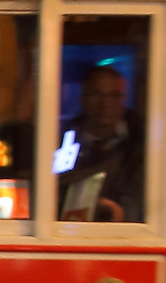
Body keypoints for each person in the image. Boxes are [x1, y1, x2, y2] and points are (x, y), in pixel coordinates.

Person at [53, 64, 145, 222]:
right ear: (82, 99)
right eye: (97, 95)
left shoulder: (143, 146)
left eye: (114, 95)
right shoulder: (62, 145)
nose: (106, 104)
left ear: (124, 100)